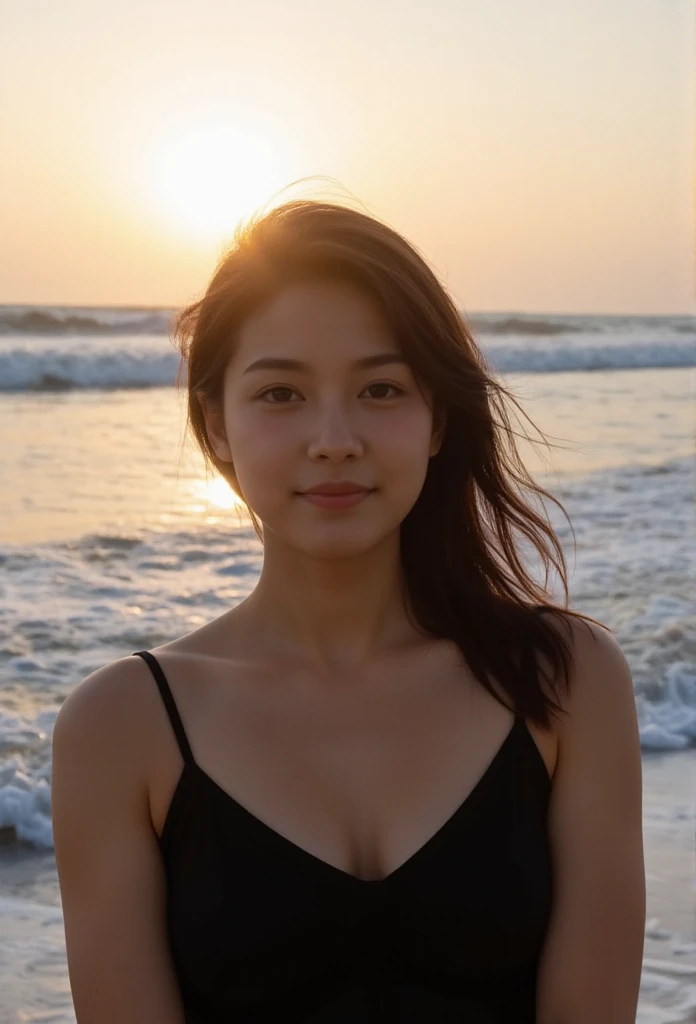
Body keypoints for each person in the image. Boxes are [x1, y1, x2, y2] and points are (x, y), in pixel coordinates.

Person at [51, 198, 645, 1022]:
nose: (335, 437)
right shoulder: (122, 727)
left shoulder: (564, 681)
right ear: (215, 425)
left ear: (437, 417)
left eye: (380, 387)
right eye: (282, 394)